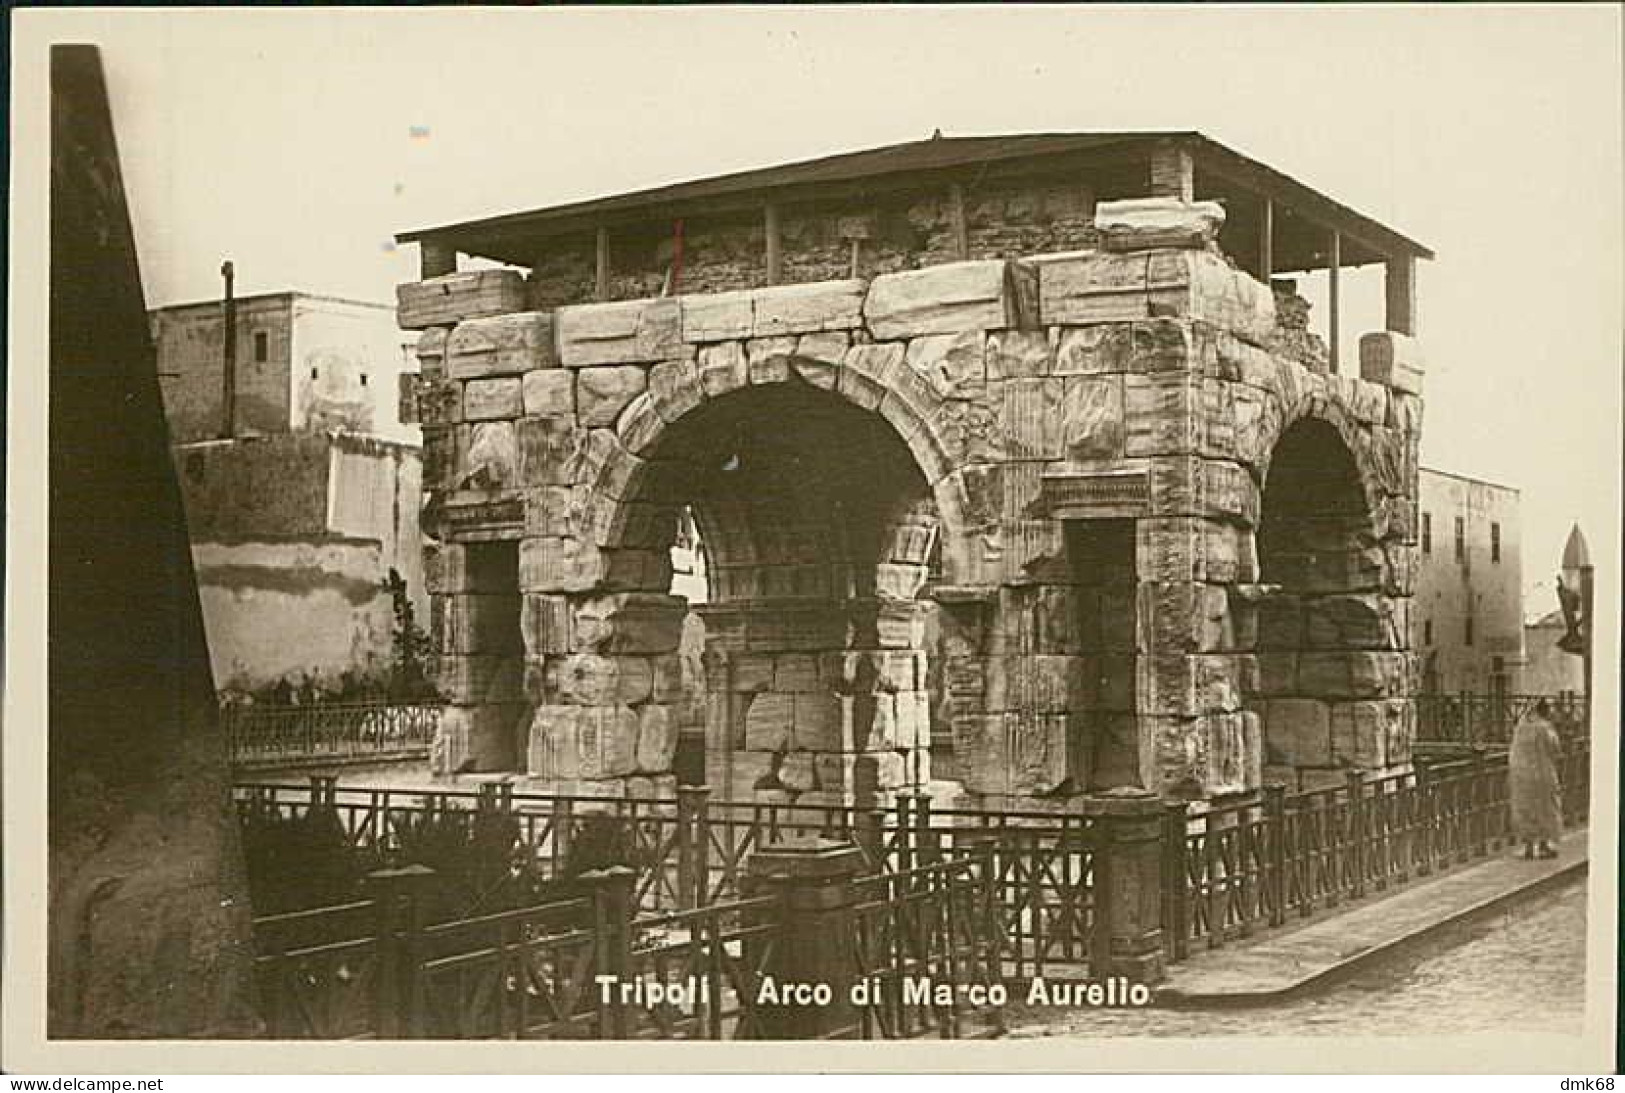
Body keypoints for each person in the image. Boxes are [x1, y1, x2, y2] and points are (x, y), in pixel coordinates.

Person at [1509, 699, 1564, 859]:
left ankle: (1528, 847)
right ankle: (1544, 845)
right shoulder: (1545, 728)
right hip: (1543, 773)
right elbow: (1555, 749)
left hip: (1522, 776)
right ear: (1545, 711)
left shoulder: (1521, 727)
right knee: (1546, 808)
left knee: (1525, 808)